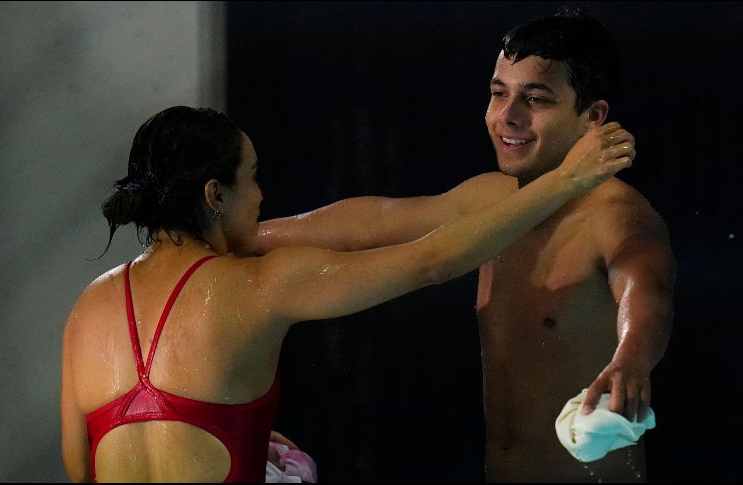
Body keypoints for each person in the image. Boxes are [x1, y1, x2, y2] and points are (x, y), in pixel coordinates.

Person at [60, 105, 633, 482]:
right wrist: (566, 180)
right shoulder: (258, 286)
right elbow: (433, 261)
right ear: (215, 194)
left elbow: (81, 468)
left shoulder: (88, 308)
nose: (261, 195)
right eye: (253, 177)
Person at [254, 8, 675, 482]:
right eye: (499, 94)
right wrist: (242, 238)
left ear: (592, 117)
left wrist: (631, 361)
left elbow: (648, 291)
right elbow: (372, 221)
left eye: (535, 99)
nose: (508, 117)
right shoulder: (491, 199)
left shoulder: (617, 214)